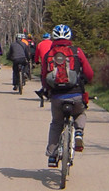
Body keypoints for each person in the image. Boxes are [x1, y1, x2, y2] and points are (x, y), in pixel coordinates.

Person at [40, 24, 94, 167]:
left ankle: (52, 156)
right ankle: (78, 133)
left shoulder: (49, 54)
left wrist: (47, 90)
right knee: (80, 113)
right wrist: (86, 81)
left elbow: (44, 77)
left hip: (57, 97)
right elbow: (89, 73)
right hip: (75, 94)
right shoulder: (77, 52)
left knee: (56, 123)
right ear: (70, 36)